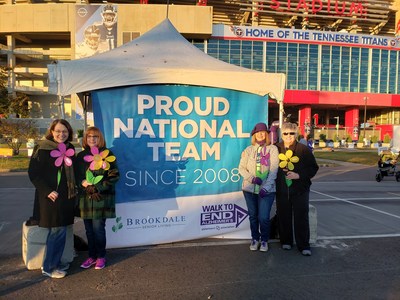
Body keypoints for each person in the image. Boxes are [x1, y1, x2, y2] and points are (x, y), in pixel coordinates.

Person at [28, 119, 77, 279]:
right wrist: (47, 191)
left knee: (62, 229)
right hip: (50, 198)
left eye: (65, 131)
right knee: (57, 230)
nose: (61, 134)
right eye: (58, 131)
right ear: (52, 131)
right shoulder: (42, 148)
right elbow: (34, 174)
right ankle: (49, 267)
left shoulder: (69, 149)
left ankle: (57, 262)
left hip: (66, 197)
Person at [75, 126, 119, 270]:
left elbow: (114, 176)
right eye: (89, 137)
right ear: (85, 139)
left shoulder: (107, 154)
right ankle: (91, 256)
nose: (92, 139)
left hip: (101, 199)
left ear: (100, 138)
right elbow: (76, 176)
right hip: (86, 199)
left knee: (98, 229)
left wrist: (98, 187)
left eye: (95, 136)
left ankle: (101, 256)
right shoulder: (81, 156)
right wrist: (84, 184)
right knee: (88, 230)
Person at [275, 122, 319, 256]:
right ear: (282, 134)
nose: (288, 136)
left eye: (291, 133)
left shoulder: (303, 149)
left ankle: (303, 245)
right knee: (283, 216)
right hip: (282, 190)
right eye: (285, 133)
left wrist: (299, 175)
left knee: (301, 217)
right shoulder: (275, 148)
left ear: (296, 134)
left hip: (300, 190)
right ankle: (286, 241)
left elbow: (313, 168)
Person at [238, 122, 279, 252]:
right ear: (254, 135)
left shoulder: (273, 149)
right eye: (258, 132)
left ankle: (265, 240)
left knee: (264, 217)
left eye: (263, 132)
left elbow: (273, 171)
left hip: (266, 191)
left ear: (266, 134)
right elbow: (241, 169)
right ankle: (255, 239)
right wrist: (252, 179)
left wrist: (266, 187)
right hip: (249, 190)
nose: (261, 134)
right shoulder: (248, 150)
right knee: (253, 216)